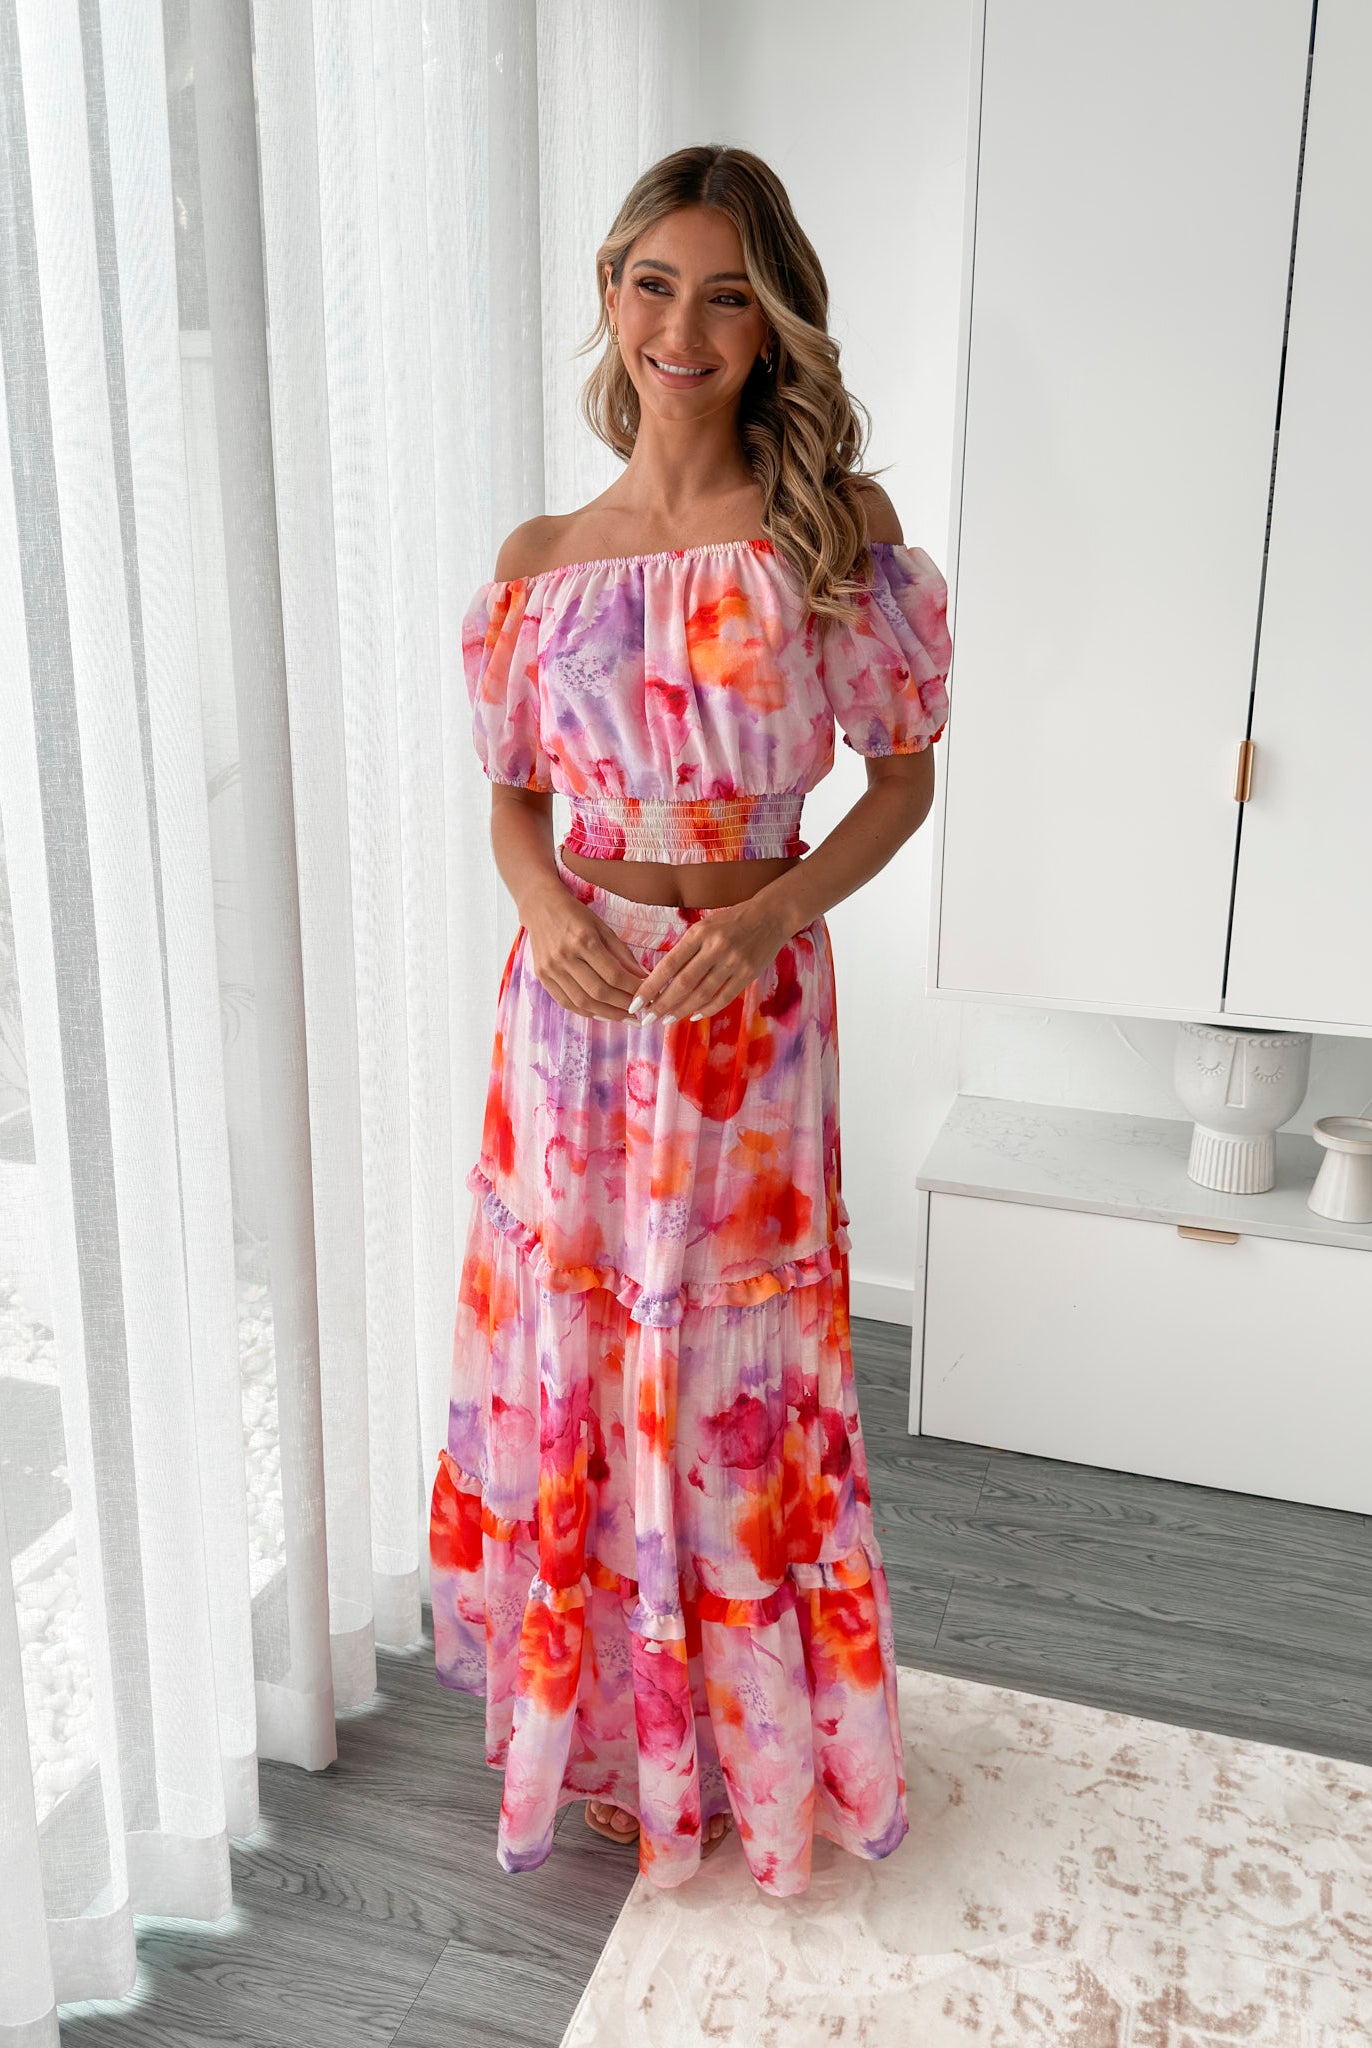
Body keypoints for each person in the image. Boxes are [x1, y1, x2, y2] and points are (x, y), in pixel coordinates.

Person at [429, 142, 951, 1900]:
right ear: (610, 292)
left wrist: (772, 917)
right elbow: (511, 795)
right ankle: (598, 1749)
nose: (686, 324)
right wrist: (544, 909)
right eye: (658, 282)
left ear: (772, 317)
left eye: (728, 291)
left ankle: (743, 1749)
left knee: (731, 1381)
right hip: (569, 1029)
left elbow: (900, 781)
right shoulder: (539, 557)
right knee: (576, 1362)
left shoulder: (830, 538)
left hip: (745, 1023)